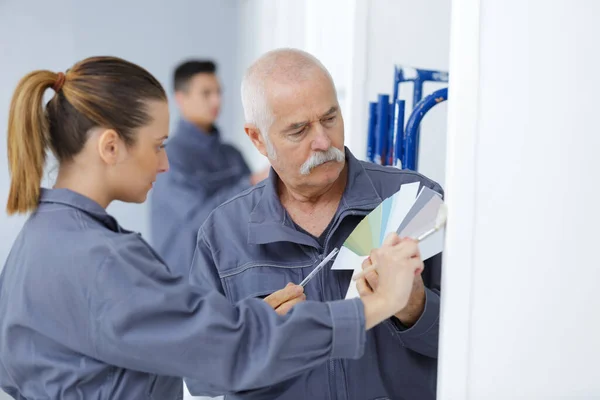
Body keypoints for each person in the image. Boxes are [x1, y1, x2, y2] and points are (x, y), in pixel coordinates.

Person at [0, 56, 424, 400]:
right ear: (110, 146)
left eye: (329, 118)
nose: (165, 164)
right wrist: (376, 305)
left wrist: (252, 320)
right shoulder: (107, 259)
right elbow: (222, 356)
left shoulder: (33, 245)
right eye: (158, 146)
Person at [188, 48, 444, 400]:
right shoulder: (222, 235)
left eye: (330, 118)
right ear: (257, 138)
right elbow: (200, 379)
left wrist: (414, 307)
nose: (323, 142)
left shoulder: (414, 199)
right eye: (298, 130)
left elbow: (472, 344)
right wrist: (247, 341)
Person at [150, 60, 269, 272]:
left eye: (218, 92)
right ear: (180, 98)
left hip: (232, 279)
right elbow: (200, 220)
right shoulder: (169, 159)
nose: (216, 101)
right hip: (186, 289)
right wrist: (251, 183)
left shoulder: (232, 155)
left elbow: (256, 214)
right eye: (206, 93)